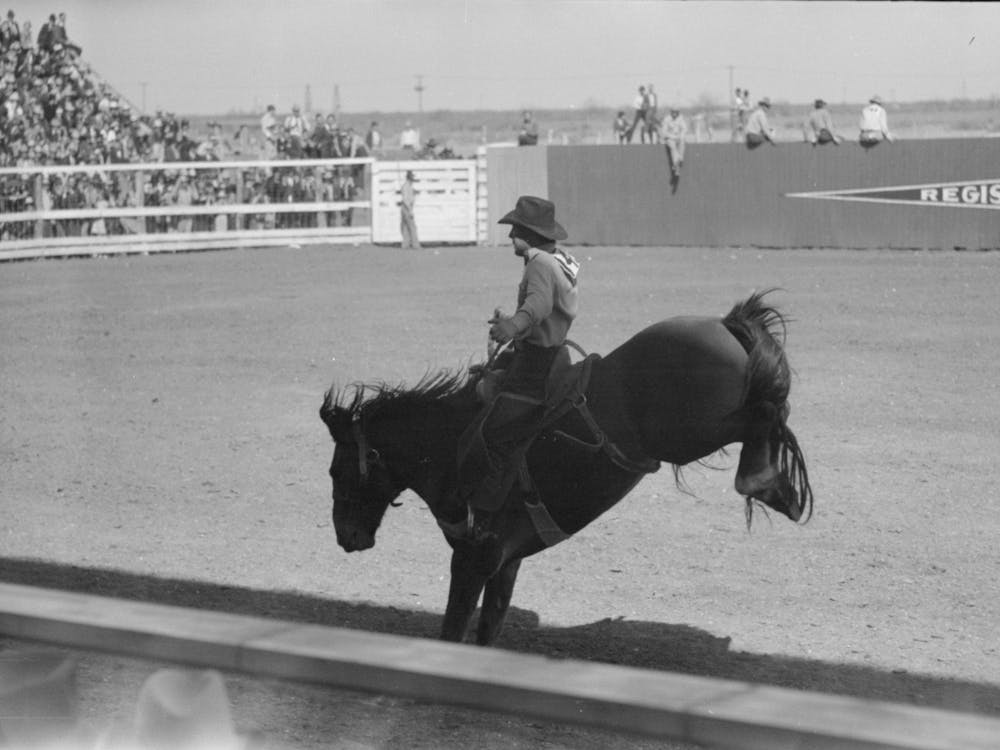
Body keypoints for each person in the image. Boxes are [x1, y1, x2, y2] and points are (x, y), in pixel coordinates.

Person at [458, 195, 580, 538]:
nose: (511, 236)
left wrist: (510, 327)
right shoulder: (558, 259)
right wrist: (512, 321)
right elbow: (549, 308)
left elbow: (540, 304)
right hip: (550, 352)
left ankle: (485, 515)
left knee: (494, 433)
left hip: (536, 364)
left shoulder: (538, 264)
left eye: (515, 229)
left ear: (530, 233)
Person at [661, 106, 687, 176]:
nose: (674, 114)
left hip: (678, 137)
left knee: (682, 142)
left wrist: (680, 136)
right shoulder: (667, 119)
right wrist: (672, 137)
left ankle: (680, 159)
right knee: (673, 147)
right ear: (671, 112)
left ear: (678, 113)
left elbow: (684, 129)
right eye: (673, 112)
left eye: (676, 112)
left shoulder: (681, 118)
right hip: (670, 138)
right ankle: (676, 164)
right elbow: (664, 132)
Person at [399, 170, 420, 249]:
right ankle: (415, 245)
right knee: (412, 227)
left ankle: (405, 245)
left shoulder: (407, 186)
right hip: (407, 208)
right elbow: (405, 199)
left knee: (405, 227)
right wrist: (410, 210)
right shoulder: (406, 186)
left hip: (405, 208)